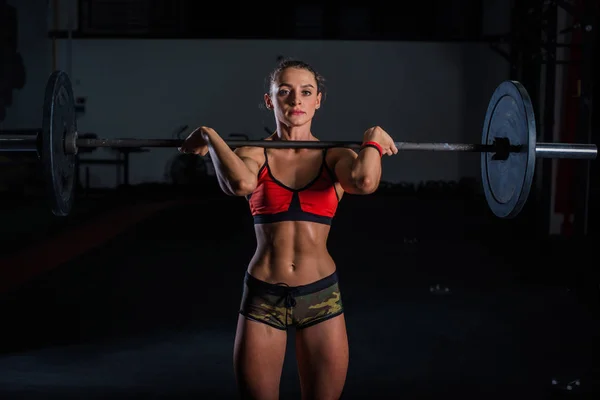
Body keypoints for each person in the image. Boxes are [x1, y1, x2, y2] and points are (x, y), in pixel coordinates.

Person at [179, 58, 398, 400]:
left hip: (321, 295)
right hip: (264, 295)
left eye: (306, 92)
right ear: (270, 101)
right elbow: (238, 182)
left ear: (318, 100)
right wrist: (209, 135)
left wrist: (373, 139)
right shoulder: (253, 152)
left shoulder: (334, 155)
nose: (296, 100)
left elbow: (365, 181)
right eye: (285, 92)